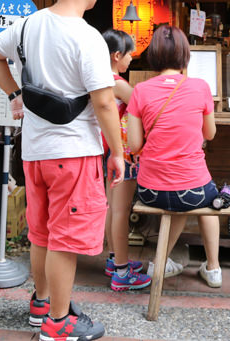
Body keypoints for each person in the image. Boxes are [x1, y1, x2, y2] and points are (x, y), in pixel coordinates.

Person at [0, 0, 122, 341]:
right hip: (73, 153)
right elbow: (105, 102)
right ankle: (58, 326)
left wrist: (15, 93)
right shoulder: (87, 36)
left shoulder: (27, 26)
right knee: (64, 239)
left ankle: (41, 305)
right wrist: (119, 153)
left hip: (35, 153)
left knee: (42, 233)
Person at [126, 25, 223, 288]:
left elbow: (134, 145)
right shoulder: (200, 87)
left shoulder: (140, 90)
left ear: (154, 55)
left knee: (178, 196)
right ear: (185, 55)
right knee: (211, 199)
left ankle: (160, 261)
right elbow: (210, 134)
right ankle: (213, 269)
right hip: (192, 190)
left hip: (149, 190)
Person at [100, 29, 151, 292]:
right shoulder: (116, 82)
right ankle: (121, 272)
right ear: (116, 55)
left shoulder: (99, 77)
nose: (132, 58)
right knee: (120, 211)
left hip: (111, 150)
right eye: (129, 53)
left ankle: (113, 259)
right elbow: (142, 106)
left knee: (113, 208)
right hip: (123, 154)